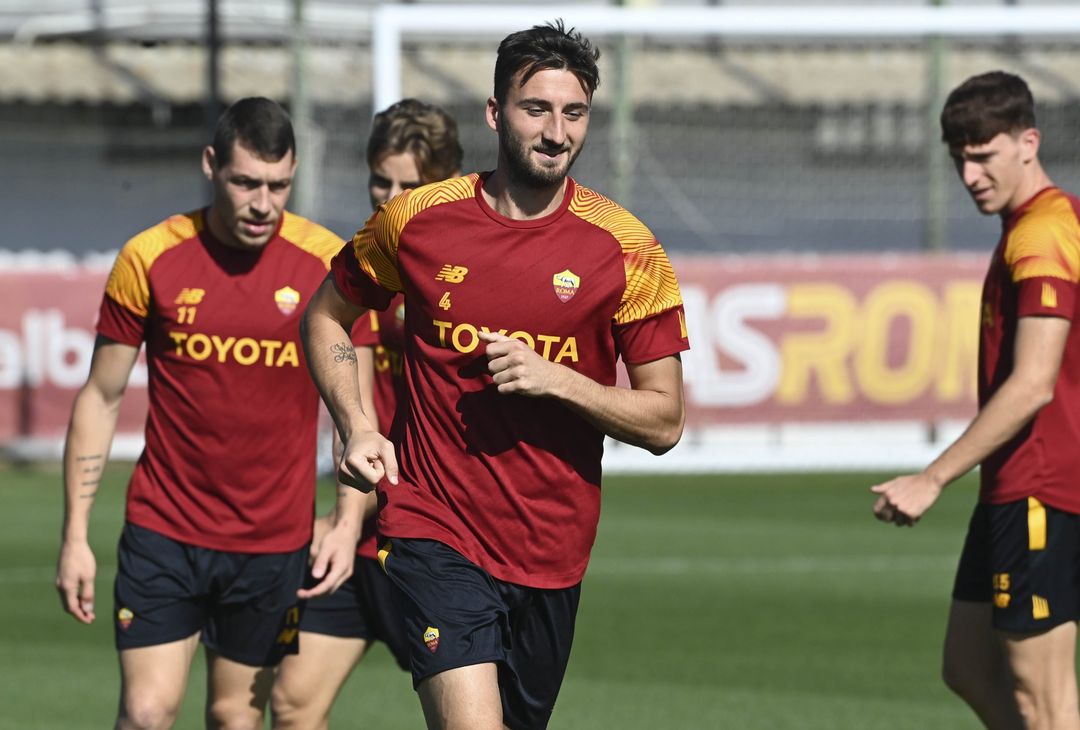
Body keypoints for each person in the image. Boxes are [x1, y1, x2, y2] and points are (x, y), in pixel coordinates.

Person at [300, 20, 689, 730]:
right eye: (535, 108)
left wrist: (561, 381)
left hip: (552, 553)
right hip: (432, 525)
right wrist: (357, 425)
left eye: (573, 113)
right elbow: (327, 318)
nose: (555, 131)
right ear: (494, 113)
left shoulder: (629, 249)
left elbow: (665, 421)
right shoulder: (415, 220)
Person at [55, 97, 366, 730]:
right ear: (210, 166)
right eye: (246, 182)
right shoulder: (149, 257)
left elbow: (355, 412)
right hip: (163, 531)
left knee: (234, 718)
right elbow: (100, 395)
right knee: (146, 712)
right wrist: (75, 534)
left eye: (278, 185)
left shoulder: (325, 266)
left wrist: (348, 520)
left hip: (273, 544)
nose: (263, 203)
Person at [872, 71, 1080, 730]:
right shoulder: (1031, 225)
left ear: (1028, 142)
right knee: (967, 663)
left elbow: (1033, 383)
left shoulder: (1043, 232)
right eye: (959, 157)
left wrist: (933, 477)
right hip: (1014, 484)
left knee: (1042, 699)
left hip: (1043, 486)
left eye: (983, 155)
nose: (969, 174)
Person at [272, 98, 464, 730]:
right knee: (292, 703)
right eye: (380, 181)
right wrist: (345, 515)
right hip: (368, 528)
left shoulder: (472, 276)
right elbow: (352, 408)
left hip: (447, 538)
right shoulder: (363, 270)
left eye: (409, 185)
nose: (390, 197)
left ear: (447, 183)